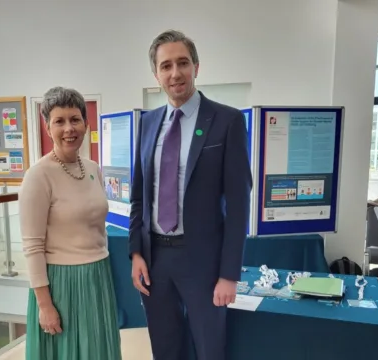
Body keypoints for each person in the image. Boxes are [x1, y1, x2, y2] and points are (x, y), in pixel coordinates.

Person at [129, 30, 252, 360]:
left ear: (196, 66)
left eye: (182, 63)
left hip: (204, 262)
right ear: (156, 74)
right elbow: (139, 196)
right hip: (156, 259)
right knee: (166, 349)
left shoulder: (227, 121)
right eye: (166, 65)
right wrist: (137, 253)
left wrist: (229, 274)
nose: (175, 73)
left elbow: (240, 204)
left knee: (210, 349)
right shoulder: (148, 123)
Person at [19, 86, 121, 360]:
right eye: (59, 121)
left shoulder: (92, 169)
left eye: (75, 119)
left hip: (98, 276)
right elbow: (32, 246)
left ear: (86, 125)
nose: (69, 128)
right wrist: (44, 305)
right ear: (47, 126)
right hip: (61, 285)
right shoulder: (37, 176)